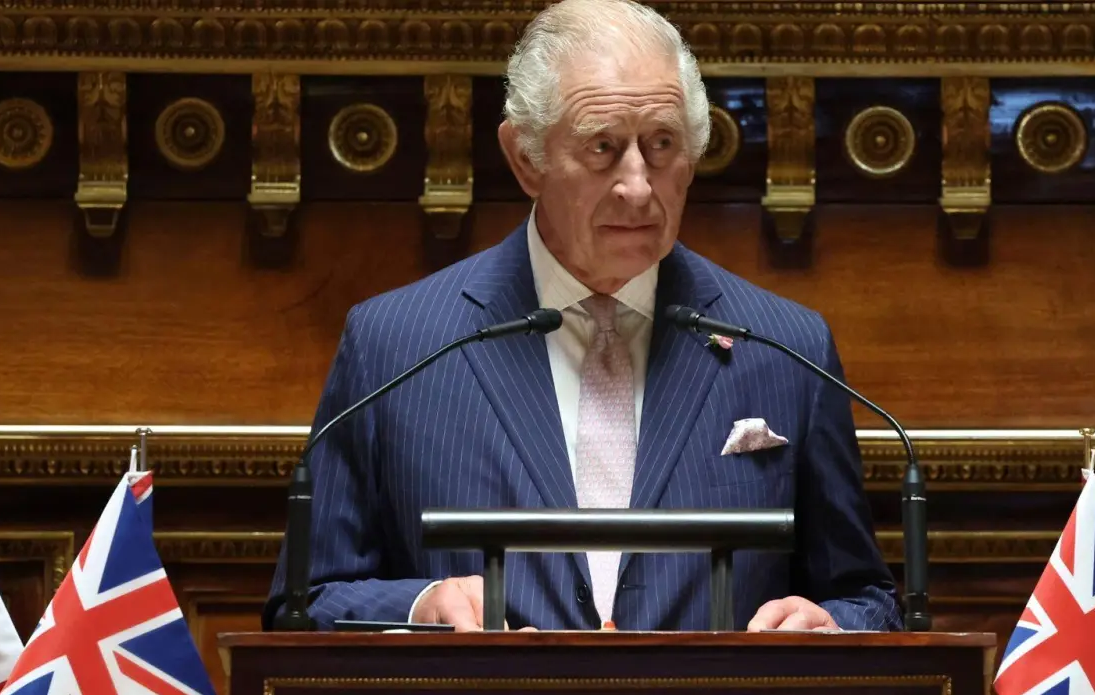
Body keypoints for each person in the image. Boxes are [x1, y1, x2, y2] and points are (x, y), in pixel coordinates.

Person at [270, 0, 899, 632]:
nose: (638, 186)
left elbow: (867, 598)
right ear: (525, 159)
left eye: (661, 145)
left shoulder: (785, 347)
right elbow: (304, 606)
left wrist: (830, 626)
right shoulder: (397, 346)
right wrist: (418, 608)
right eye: (602, 147)